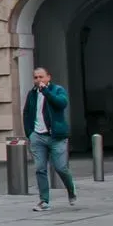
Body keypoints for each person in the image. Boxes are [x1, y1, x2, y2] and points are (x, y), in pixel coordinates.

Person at [23, 66, 77, 212]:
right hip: (37, 136)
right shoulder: (32, 94)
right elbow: (26, 113)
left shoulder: (57, 90)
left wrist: (46, 92)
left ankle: (71, 190)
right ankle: (44, 201)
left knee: (61, 168)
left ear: (48, 78)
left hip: (56, 136)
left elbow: (61, 104)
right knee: (40, 169)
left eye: (41, 77)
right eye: (35, 77)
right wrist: (30, 133)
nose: (38, 80)